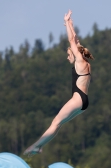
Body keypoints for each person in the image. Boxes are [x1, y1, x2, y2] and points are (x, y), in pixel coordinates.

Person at [24, 10, 94, 156]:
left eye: (69, 55)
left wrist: (67, 24)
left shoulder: (80, 60)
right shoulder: (85, 62)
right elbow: (75, 40)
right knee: (58, 124)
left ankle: (35, 146)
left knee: (56, 121)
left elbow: (71, 41)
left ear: (75, 53)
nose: (69, 58)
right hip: (84, 102)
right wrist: (69, 23)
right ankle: (38, 147)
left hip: (78, 99)